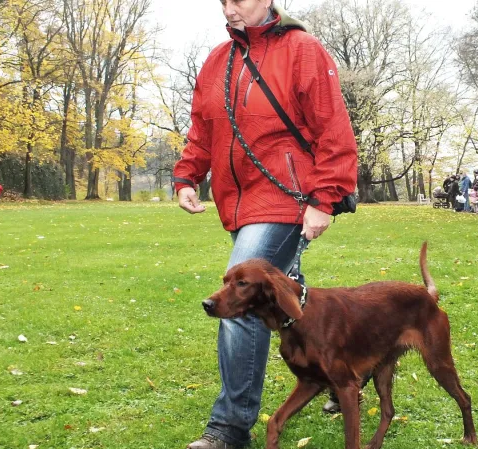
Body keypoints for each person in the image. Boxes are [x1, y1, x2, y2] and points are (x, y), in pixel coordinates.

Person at [173, 2, 358, 448]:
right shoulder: (219, 59)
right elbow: (203, 128)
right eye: (223, 0)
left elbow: (333, 127)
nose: (229, 7)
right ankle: (341, 376)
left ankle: (230, 427)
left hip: (285, 198)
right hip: (238, 202)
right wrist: (187, 175)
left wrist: (324, 197)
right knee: (291, 299)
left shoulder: (302, 50)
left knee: (241, 300)